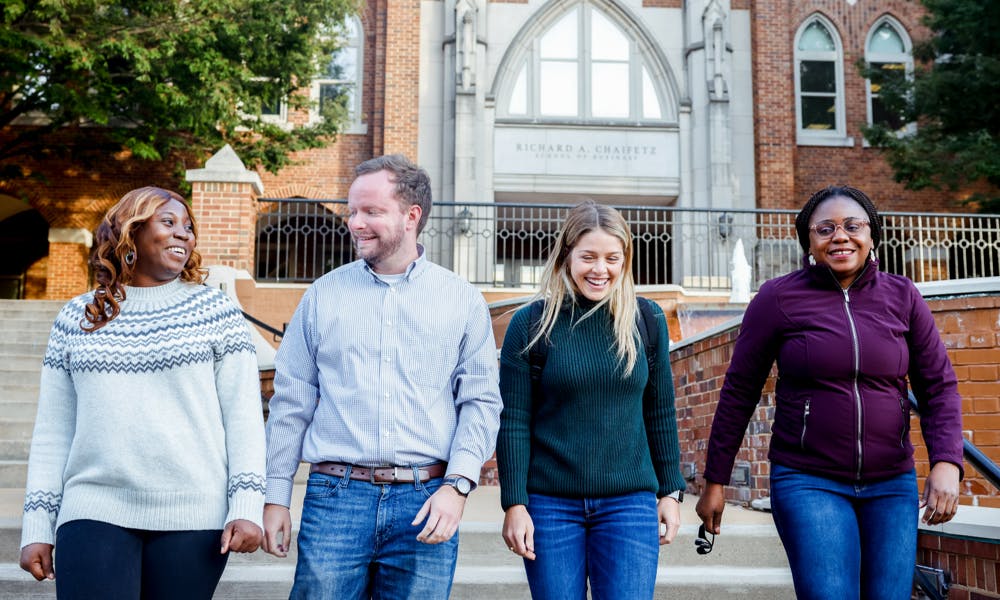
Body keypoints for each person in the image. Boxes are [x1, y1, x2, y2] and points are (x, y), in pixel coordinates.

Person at [696, 185, 964, 600]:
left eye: (852, 226)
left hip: (891, 483)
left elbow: (938, 386)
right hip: (809, 481)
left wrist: (947, 461)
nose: (840, 236)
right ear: (809, 240)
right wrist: (716, 480)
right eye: (826, 229)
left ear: (871, 234)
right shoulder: (778, 298)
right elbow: (738, 393)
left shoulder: (903, 296)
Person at [262, 154, 503, 599]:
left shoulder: (461, 300)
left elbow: (481, 403)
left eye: (372, 211)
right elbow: (290, 403)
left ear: (412, 216)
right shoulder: (322, 296)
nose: (355, 223)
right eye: (352, 211)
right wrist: (276, 494)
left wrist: (459, 486)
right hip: (335, 498)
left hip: (427, 498)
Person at [19, 187, 266, 598]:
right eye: (168, 223)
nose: (183, 235)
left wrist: (246, 506)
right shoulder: (76, 317)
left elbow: (243, 419)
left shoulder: (215, 312)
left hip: (193, 514)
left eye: (188, 228)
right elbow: (53, 430)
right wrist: (37, 524)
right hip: (93, 507)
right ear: (130, 234)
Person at [496, 200, 686, 600]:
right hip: (550, 506)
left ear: (625, 260)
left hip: (629, 505)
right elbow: (514, 420)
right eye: (589, 257)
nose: (601, 269)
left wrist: (670, 491)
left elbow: (660, 412)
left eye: (612, 258)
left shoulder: (647, 321)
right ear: (567, 256)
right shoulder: (530, 324)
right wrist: (514, 503)